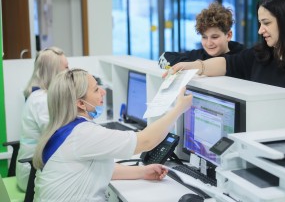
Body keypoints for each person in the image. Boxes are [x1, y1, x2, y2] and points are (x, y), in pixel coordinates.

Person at [32, 69, 192, 201]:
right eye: (96, 89)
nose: (102, 91)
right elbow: (147, 141)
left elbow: (99, 167)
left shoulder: (61, 127)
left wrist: (143, 172)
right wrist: (178, 109)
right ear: (80, 103)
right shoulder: (82, 134)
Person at [167, 0, 285, 116]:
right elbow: (227, 63)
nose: (261, 30)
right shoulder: (259, 55)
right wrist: (196, 66)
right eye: (260, 23)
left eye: (266, 23)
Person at [16, 47, 69, 191]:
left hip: (36, 168)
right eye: (66, 68)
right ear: (54, 71)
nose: (69, 73)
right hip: (32, 174)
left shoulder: (41, 95)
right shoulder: (42, 100)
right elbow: (56, 137)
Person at [158, 1, 244, 69]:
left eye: (214, 37)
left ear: (228, 35)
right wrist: (192, 65)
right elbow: (164, 58)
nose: (209, 43)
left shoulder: (243, 56)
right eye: (204, 37)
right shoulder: (199, 55)